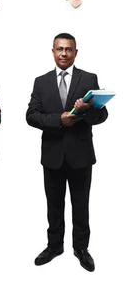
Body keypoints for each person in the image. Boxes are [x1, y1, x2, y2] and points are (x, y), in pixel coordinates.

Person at [26, 33, 108, 272]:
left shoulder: (89, 78)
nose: (64, 53)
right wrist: (59, 120)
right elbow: (31, 115)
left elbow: (101, 116)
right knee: (53, 204)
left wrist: (88, 110)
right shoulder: (41, 82)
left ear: (75, 52)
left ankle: (81, 248)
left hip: (81, 155)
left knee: (81, 204)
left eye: (68, 49)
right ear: (53, 51)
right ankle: (54, 246)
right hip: (52, 155)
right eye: (59, 49)